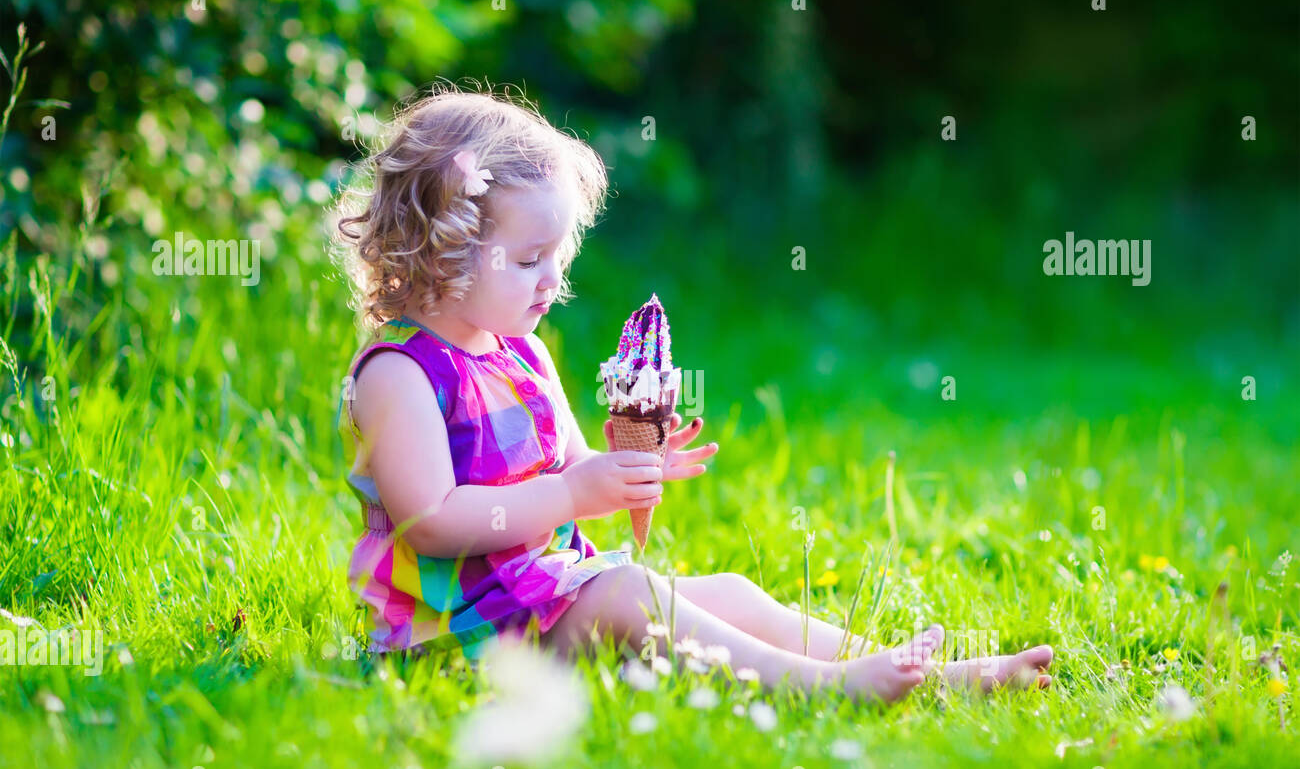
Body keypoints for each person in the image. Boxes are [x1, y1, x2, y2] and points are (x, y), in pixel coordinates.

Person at [331, 84, 1053, 704]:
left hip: (541, 601)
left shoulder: (523, 353)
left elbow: (569, 468)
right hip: (455, 637)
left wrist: (626, 470)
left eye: (557, 257)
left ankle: (921, 670)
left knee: (731, 591)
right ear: (442, 250)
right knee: (630, 595)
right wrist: (579, 493)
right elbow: (431, 522)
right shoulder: (400, 373)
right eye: (527, 261)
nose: (552, 281)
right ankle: (826, 687)